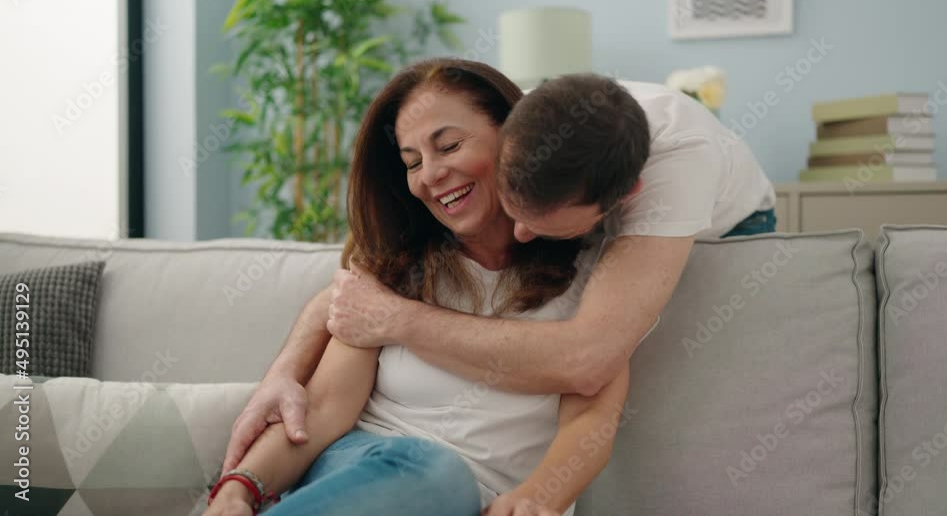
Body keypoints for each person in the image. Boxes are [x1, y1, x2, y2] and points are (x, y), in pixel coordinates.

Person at [223, 64, 775, 497]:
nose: (517, 233)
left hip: (737, 216)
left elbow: (589, 364)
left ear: (617, 205)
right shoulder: (528, 126)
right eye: (413, 159)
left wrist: (401, 321)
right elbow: (350, 314)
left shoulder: (666, 181)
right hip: (370, 467)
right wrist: (283, 374)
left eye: (538, 224)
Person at [207, 59, 629, 516]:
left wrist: (536, 500)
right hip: (366, 472)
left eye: (447, 146)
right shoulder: (397, 271)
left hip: (486, 504)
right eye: (412, 163)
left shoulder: (592, 274)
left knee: (446, 475)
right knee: (434, 468)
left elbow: (590, 421)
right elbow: (326, 408)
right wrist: (239, 489)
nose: (429, 176)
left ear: (516, 136)